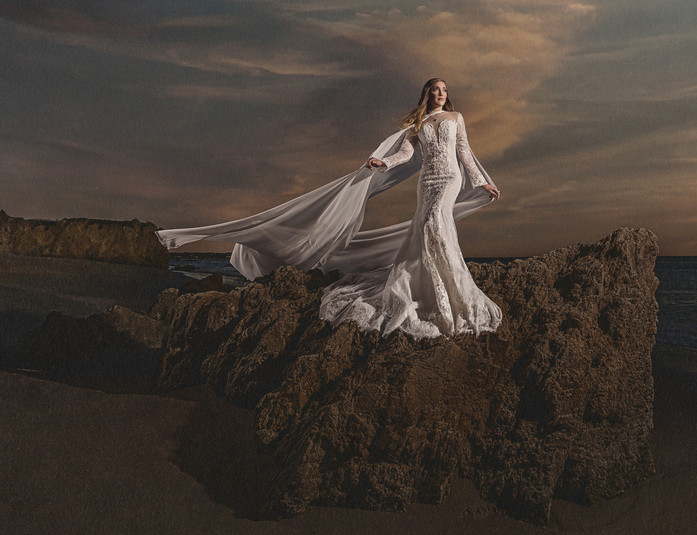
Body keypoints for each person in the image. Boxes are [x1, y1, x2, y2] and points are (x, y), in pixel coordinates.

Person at [156, 78, 502, 340]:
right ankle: (430, 287)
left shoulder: (456, 117)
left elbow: (465, 153)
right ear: (427, 94)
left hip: (450, 178)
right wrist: (382, 162)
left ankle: (452, 297)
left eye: (444, 89)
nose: (441, 93)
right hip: (425, 182)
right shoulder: (418, 126)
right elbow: (408, 156)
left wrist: (479, 182)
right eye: (435, 89)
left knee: (435, 227)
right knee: (425, 229)